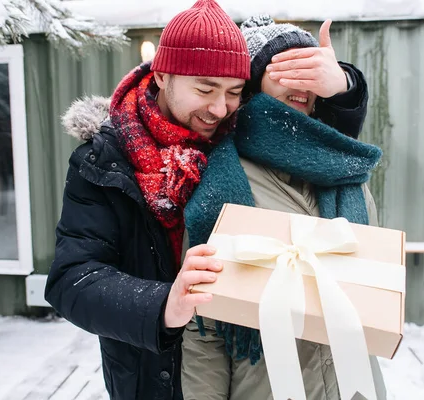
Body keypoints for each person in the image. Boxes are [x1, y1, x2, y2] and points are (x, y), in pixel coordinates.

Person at [43, 1, 251, 399]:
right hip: (151, 377)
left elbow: (308, 138)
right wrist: (162, 306)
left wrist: (344, 89)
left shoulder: (241, 141)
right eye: (205, 89)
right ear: (162, 76)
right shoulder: (104, 161)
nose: (219, 108)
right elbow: (72, 279)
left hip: (241, 372)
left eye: (234, 92)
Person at [181, 15, 387, 400]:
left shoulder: (347, 171)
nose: (301, 81)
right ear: (253, 82)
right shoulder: (224, 180)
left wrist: (346, 83)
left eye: (309, 68)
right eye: (285, 68)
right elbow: (204, 327)